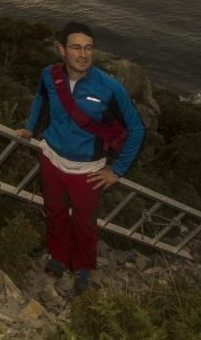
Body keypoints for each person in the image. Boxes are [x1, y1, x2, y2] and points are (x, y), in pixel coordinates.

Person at [16, 21, 146, 294]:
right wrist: (30, 127)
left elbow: (136, 128)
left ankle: (84, 267)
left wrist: (117, 170)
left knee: (85, 222)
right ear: (61, 49)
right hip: (51, 158)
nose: (83, 54)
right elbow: (41, 99)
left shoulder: (110, 88)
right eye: (76, 47)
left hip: (88, 170)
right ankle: (59, 257)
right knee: (55, 212)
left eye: (88, 48)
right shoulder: (49, 75)